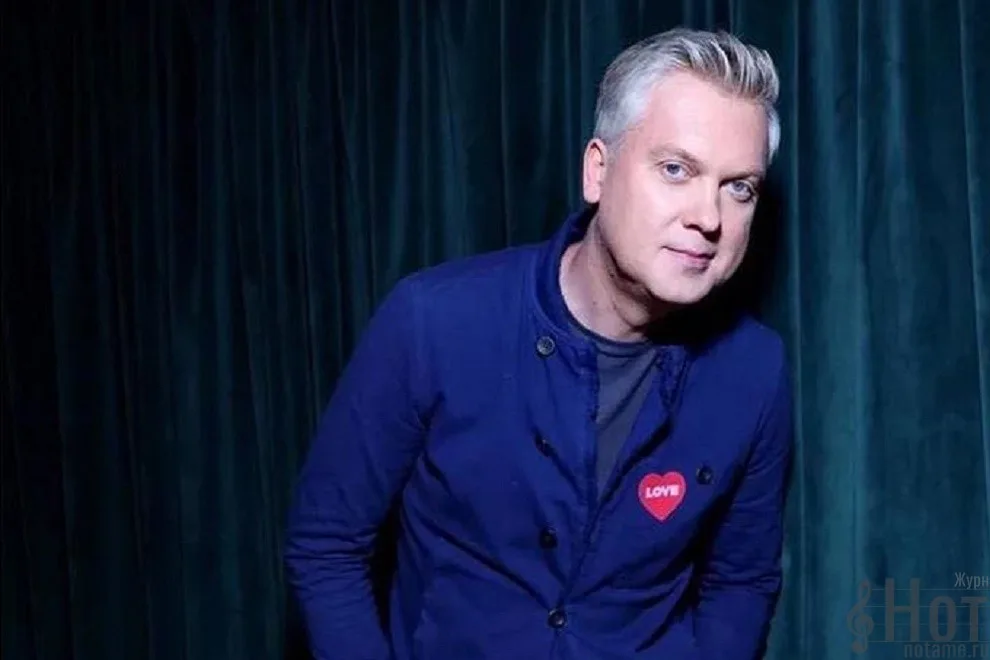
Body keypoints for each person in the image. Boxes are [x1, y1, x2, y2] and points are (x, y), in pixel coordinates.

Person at [284, 26, 794, 660]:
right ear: (597, 171)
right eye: (675, 170)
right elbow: (326, 545)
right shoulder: (433, 322)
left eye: (739, 187)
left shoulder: (754, 371)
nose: (709, 217)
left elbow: (742, 581)